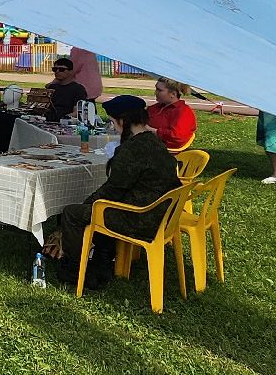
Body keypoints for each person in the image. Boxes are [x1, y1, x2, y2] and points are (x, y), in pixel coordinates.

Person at [43, 94, 181, 290]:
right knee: (100, 208)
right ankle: (102, 261)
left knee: (73, 214)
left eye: (113, 122)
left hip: (142, 217)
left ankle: (74, 268)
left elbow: (112, 191)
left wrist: (85, 205)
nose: (113, 127)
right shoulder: (155, 142)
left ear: (123, 122)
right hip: (162, 211)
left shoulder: (133, 149)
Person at [146, 77, 197, 151]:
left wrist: (152, 131)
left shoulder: (184, 112)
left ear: (173, 94)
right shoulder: (155, 108)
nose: (155, 93)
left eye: (159, 90)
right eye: (156, 89)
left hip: (161, 152)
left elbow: (178, 137)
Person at [41, 56, 91, 122]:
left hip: (65, 123)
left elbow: (77, 113)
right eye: (55, 69)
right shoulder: (52, 87)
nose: (57, 71)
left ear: (71, 71)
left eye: (62, 69)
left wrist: (63, 119)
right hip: (46, 120)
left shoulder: (78, 89)